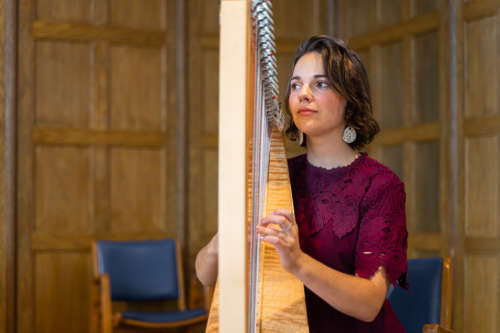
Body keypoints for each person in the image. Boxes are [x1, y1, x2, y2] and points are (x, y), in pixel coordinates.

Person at [195, 35, 408, 333]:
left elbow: (369, 303)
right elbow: (205, 275)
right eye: (296, 85)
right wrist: (219, 246)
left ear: (350, 100)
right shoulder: (276, 178)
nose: (303, 94)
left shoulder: (380, 185)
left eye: (320, 84)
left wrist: (297, 262)